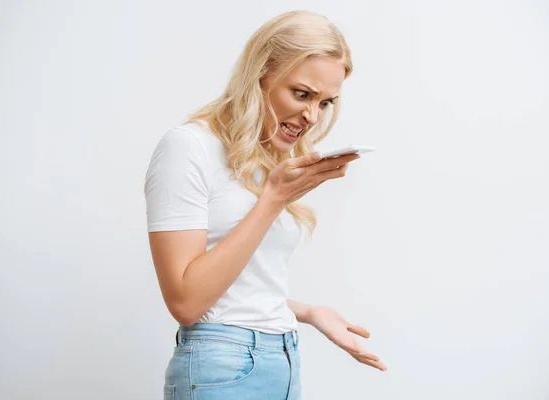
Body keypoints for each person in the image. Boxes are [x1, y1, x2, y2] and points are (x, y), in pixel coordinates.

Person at [144, 10, 386, 400]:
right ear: (259, 75)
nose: (310, 116)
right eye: (302, 94)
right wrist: (273, 200)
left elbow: (234, 288)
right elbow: (187, 302)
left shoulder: (266, 157)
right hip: (222, 366)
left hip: (282, 359)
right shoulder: (188, 148)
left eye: (325, 102)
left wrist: (308, 313)